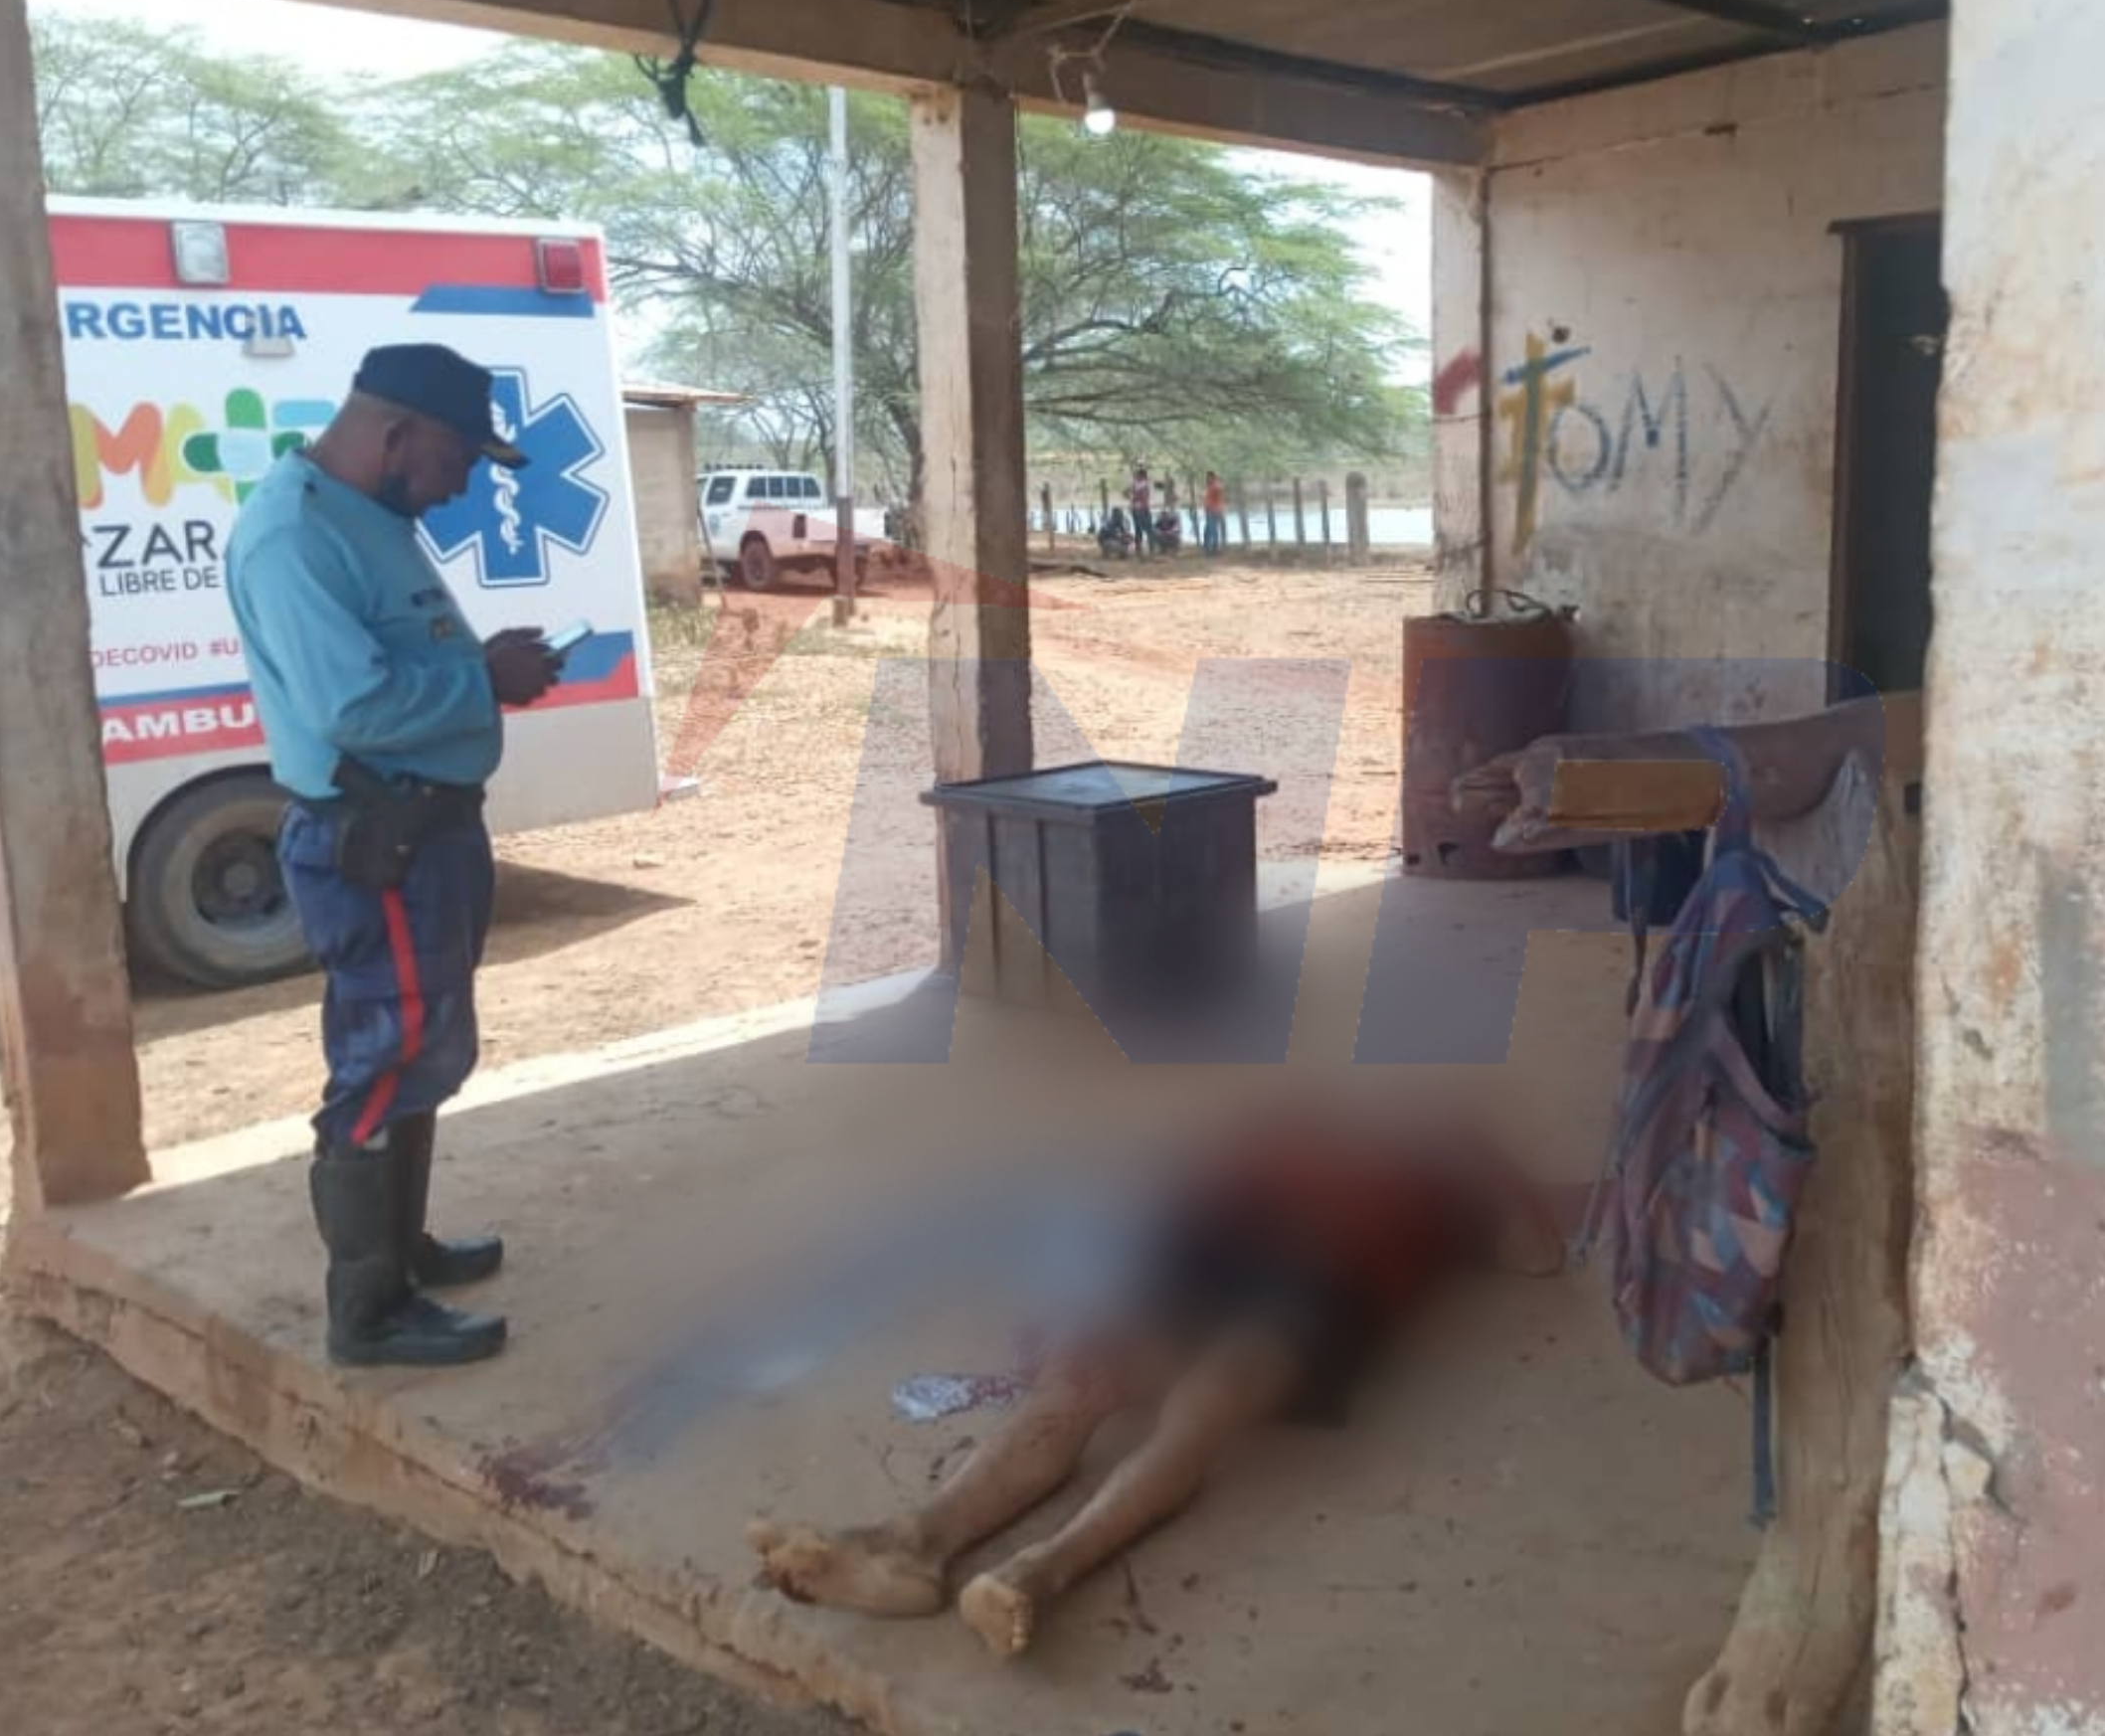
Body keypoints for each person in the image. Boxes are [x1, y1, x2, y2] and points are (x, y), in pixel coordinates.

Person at [747, 1100, 1564, 1660]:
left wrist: (1477, 1158)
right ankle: (913, 1541)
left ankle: (1037, 1572)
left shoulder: (1437, 1173)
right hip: (1222, 1261)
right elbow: (1176, 1209)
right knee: (1079, 1384)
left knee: (1205, 1403)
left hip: (1323, 1284)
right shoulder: (1294, 1128)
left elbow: (1537, 1253)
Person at [226, 344, 566, 1371]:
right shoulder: (297, 533)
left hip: (424, 832)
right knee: (385, 1055)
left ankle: (400, 1248)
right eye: (456, 458)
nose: (460, 484)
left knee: (420, 1045)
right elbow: (353, 707)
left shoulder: (362, 515)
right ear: (395, 434)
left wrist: (475, 667)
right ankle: (368, 1308)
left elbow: (394, 661)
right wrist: (485, 682)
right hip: (380, 839)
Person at [1128, 464, 1155, 556]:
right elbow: (1139, 496)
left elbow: (1133, 496)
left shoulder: (1138, 484)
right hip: (1140, 509)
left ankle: (1143, 549)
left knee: (1142, 529)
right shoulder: (1140, 485)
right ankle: (1145, 549)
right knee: (1144, 529)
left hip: (1140, 508)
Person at [1202, 470, 1227, 556]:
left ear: (1212, 477)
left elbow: (1219, 490)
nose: (1207, 479)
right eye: (1207, 477)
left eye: (1208, 477)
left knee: (1213, 530)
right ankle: (1208, 548)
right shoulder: (1210, 487)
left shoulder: (1215, 486)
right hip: (1210, 511)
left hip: (1214, 511)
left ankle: (1214, 549)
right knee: (1208, 530)